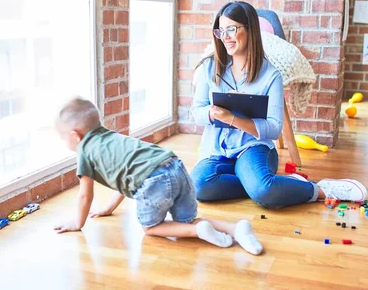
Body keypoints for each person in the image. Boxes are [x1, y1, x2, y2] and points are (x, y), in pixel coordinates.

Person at [190, 1, 367, 208]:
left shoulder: (270, 75)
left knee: (264, 191)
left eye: (232, 29)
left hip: (253, 148)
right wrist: (211, 113)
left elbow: (274, 129)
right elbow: (196, 112)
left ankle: (321, 188)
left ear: (250, 30)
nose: (226, 37)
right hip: (218, 150)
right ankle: (269, 185)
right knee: (199, 186)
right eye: (221, 31)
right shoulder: (208, 67)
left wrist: (233, 119)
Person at [53, 97, 263, 255]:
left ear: (75, 135)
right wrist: (109, 208)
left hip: (155, 180)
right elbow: (125, 177)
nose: (65, 144)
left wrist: (77, 223)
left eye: (63, 139)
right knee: (186, 220)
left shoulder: (85, 151)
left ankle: (199, 231)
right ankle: (236, 229)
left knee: (151, 227)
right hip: (175, 165)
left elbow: (84, 196)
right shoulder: (110, 137)